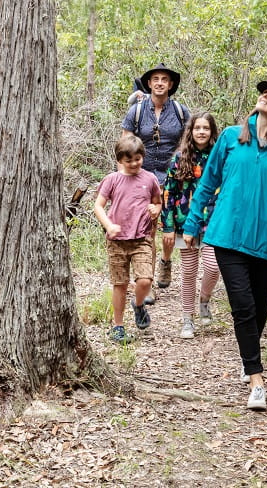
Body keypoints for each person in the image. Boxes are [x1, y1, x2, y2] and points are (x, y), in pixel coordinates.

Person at [183, 81, 267, 411]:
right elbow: (208, 183)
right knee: (243, 306)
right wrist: (192, 224)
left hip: (265, 240)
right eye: (263, 92)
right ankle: (256, 379)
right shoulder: (231, 138)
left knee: (260, 305)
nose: (265, 95)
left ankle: (247, 355)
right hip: (226, 236)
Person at [121, 63, 189, 293]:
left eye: (164, 79)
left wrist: (182, 166)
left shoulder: (181, 111)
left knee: (170, 229)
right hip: (143, 178)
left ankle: (166, 262)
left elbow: (188, 141)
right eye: (155, 79)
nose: (160, 83)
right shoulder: (137, 111)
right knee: (147, 230)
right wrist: (124, 177)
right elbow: (126, 145)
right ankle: (146, 280)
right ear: (149, 84)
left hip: (173, 177)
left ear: (170, 84)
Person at [93, 135, 162, 343]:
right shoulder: (112, 180)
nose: (134, 164)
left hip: (141, 238)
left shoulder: (149, 179)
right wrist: (109, 225)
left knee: (145, 279)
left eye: (137, 159)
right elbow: (98, 206)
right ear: (120, 160)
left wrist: (155, 210)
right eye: (128, 160)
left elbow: (158, 203)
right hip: (117, 240)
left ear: (143, 157)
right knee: (120, 284)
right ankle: (118, 326)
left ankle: (139, 304)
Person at [160, 112, 221, 339]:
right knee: (188, 272)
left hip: (213, 222)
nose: (202, 132)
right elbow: (168, 192)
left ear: (212, 131)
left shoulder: (218, 157)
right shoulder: (180, 158)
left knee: (213, 266)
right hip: (184, 222)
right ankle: (187, 318)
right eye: (197, 128)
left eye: (206, 128)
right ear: (191, 131)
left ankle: (204, 300)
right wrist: (167, 226)